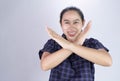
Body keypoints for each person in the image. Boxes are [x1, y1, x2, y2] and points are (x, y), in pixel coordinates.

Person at [38, 6, 112, 81]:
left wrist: (69, 45)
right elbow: (44, 66)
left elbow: (107, 61)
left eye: (76, 22)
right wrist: (77, 43)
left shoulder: (91, 43)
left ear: (83, 23)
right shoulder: (53, 43)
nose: (71, 27)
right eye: (67, 22)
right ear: (61, 24)